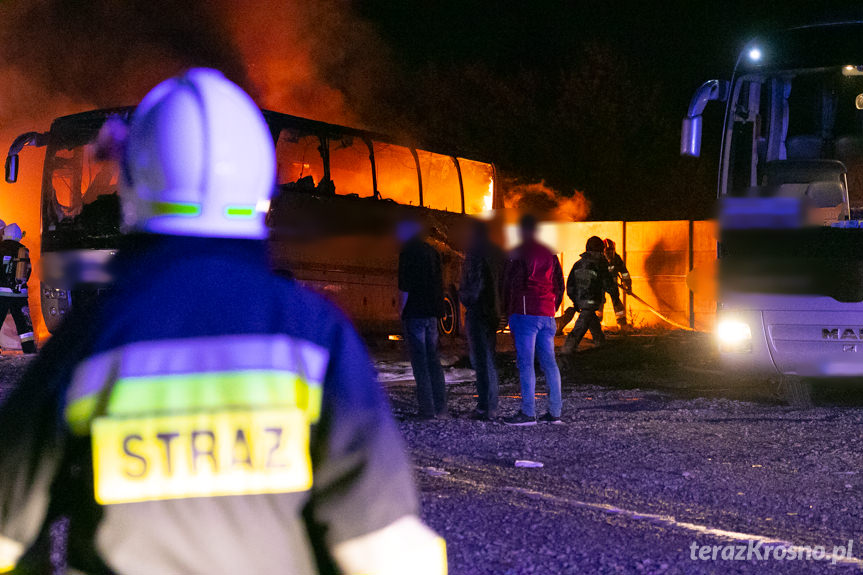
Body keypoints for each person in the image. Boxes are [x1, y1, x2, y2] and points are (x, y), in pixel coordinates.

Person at [0, 69, 446, 575]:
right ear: (261, 182)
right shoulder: (316, 335)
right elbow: (385, 553)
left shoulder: (93, 338)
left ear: (131, 188)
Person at [502, 214, 565, 426]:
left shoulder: (519, 252)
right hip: (547, 314)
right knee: (549, 364)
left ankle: (528, 413)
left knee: (526, 364)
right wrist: (552, 307)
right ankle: (555, 413)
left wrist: (507, 310)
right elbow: (559, 284)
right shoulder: (550, 253)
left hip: (525, 313)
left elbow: (511, 283)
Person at [398, 217, 449, 420]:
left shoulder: (407, 252)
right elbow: (440, 282)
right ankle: (441, 408)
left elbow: (405, 288)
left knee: (420, 362)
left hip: (416, 312)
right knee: (433, 360)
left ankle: (426, 410)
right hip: (432, 313)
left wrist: (402, 312)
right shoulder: (432, 251)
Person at [459, 219, 504, 421]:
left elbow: (474, 284)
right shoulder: (499, 253)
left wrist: (465, 299)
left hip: (478, 311)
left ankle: (484, 407)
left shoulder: (475, 253)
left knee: (480, 360)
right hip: (494, 312)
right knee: (490, 359)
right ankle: (492, 406)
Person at [562, 236, 614, 356]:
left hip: (579, 300)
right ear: (600, 249)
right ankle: (568, 348)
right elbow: (607, 283)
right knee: (582, 323)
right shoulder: (600, 264)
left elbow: (570, 284)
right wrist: (613, 291)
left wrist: (575, 300)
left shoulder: (578, 264)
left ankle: (600, 342)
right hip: (592, 300)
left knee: (591, 319)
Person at [0, 223, 36, 354]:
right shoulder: (23, 250)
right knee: (24, 325)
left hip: (2, 294)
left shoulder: (1, 248)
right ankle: (29, 350)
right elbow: (28, 271)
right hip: (20, 294)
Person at [603, 238, 631, 327]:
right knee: (599, 303)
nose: (609, 253)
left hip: (612, 284)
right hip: (600, 284)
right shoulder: (599, 259)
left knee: (617, 303)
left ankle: (622, 324)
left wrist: (628, 285)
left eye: (611, 250)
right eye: (607, 251)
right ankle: (595, 325)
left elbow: (624, 272)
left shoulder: (617, 259)